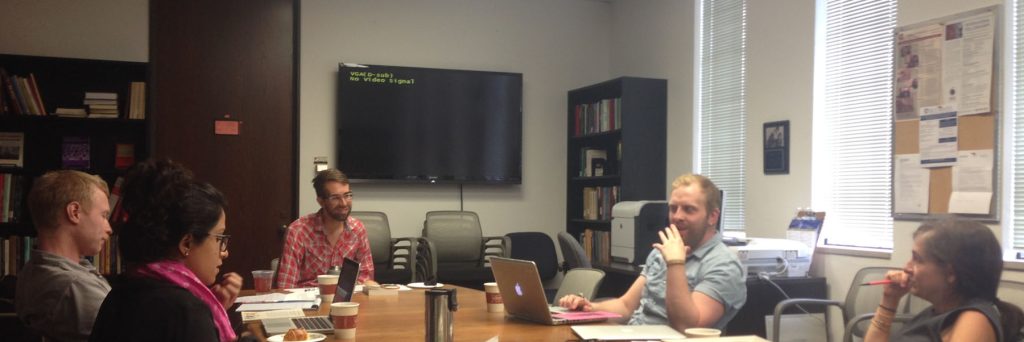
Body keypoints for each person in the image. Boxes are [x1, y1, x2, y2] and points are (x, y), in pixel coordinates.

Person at [558, 174, 746, 331]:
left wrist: (675, 263)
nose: (678, 216)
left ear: (713, 216)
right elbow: (626, 306)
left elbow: (687, 327)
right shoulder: (661, 252)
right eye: (673, 208)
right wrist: (590, 308)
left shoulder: (724, 265)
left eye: (689, 210)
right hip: (633, 334)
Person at [89, 159, 243, 342]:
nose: (224, 252)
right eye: (219, 238)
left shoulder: (120, 293)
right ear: (187, 243)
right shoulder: (185, 311)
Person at [865, 219, 1024, 342]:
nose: (907, 267)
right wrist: (889, 300)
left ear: (950, 273)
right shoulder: (938, 311)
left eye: (917, 259)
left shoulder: (974, 320)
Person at [15, 170, 112, 341]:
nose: (109, 228)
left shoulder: (31, 270)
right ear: (74, 212)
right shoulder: (73, 287)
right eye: (103, 216)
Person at [276, 168, 376, 289]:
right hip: (308, 301)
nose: (344, 203)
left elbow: (366, 276)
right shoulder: (298, 231)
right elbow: (286, 286)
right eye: (335, 198)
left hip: (345, 299)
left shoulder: (357, 229)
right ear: (321, 201)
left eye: (347, 195)